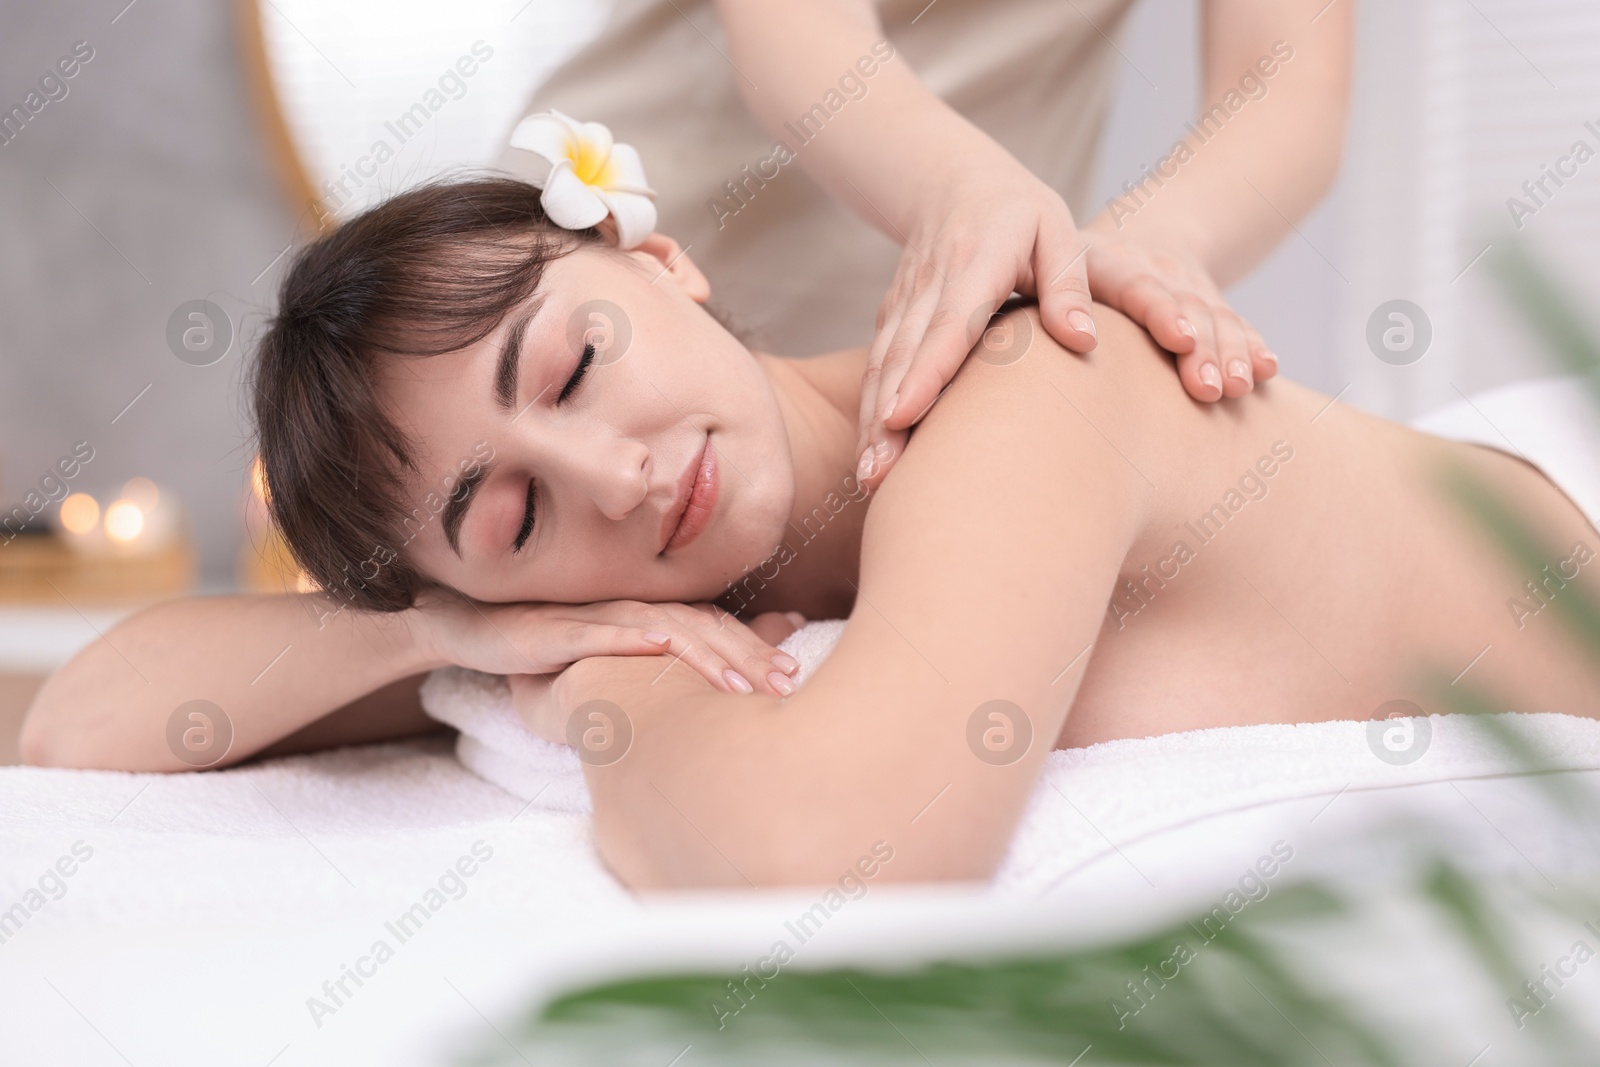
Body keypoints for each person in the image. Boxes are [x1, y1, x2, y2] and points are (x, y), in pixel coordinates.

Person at [22, 181, 1600, 895]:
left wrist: (597, 688)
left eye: (575, 364)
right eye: (512, 511)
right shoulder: (600, 590)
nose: (614, 473)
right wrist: (445, 635)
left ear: (659, 261)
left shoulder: (1014, 382)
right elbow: (77, 719)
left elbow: (831, 852)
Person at [500, 0, 1353, 485]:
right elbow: (799, 27)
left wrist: (1139, 250)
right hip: (615, 275)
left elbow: (1284, 78)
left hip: (955, 320)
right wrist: (961, 194)